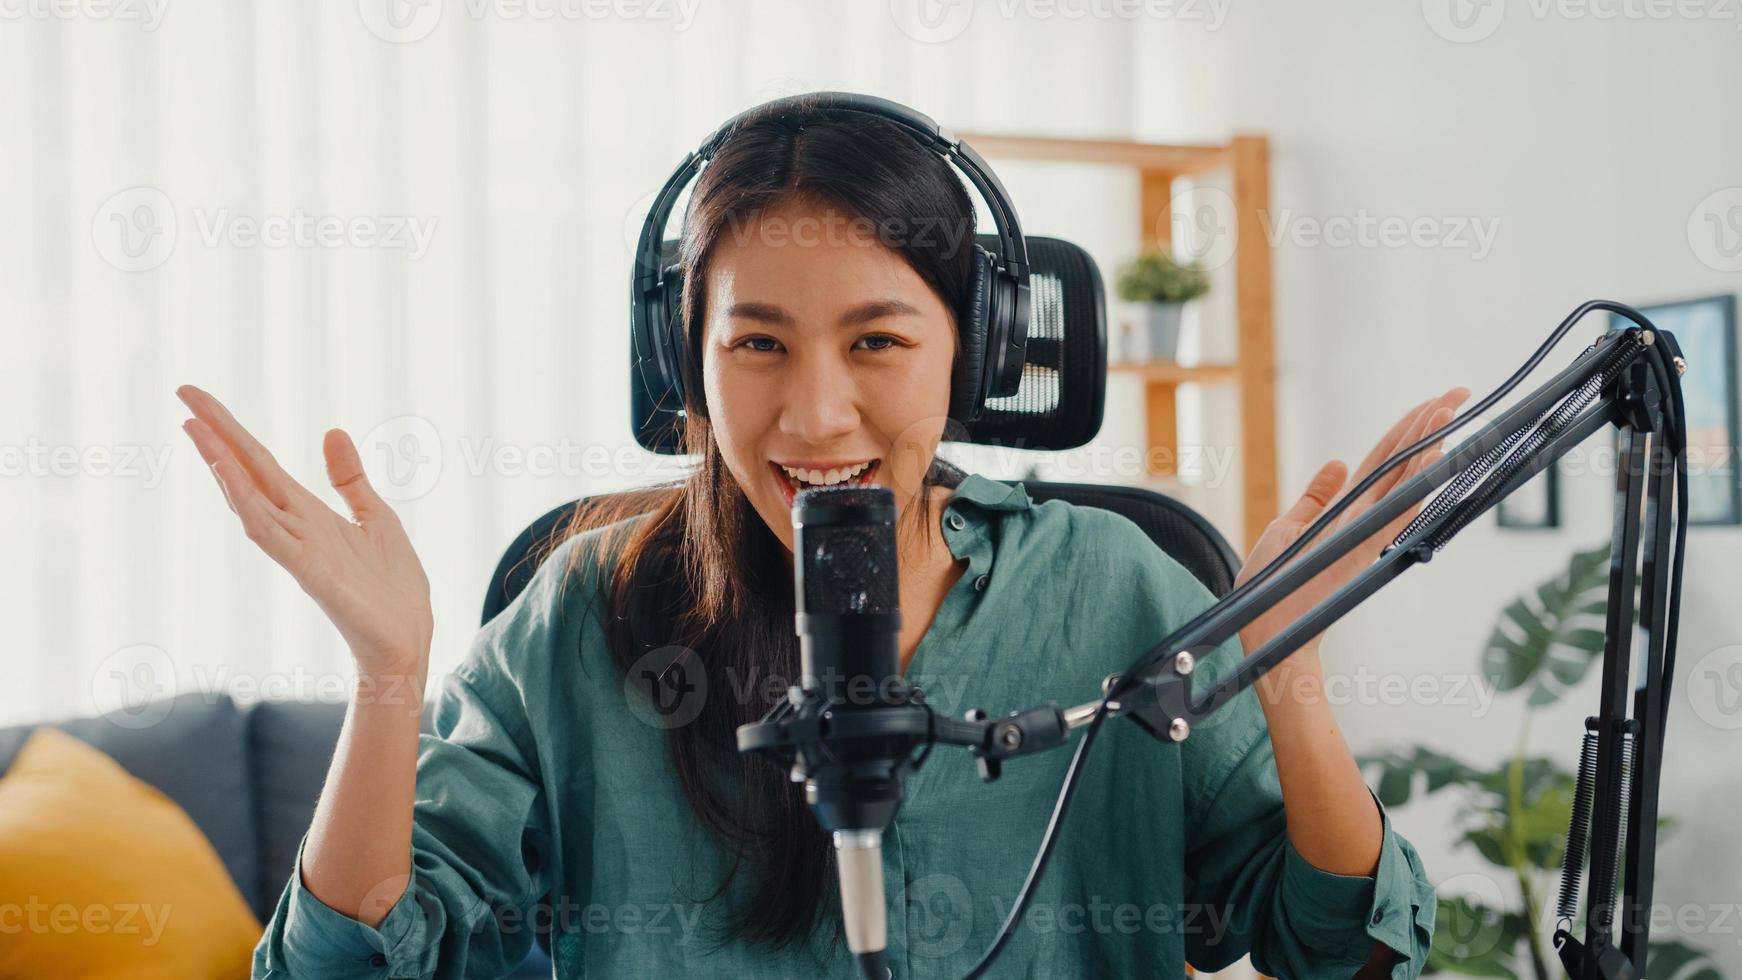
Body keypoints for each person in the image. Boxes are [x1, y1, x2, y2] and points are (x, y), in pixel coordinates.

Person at [178, 98, 1459, 979]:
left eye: (877, 341)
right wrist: (389, 674)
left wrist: (1289, 666)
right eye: (757, 344)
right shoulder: (586, 609)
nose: (813, 412)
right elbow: (341, 961)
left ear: (980, 350)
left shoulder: (1115, 587)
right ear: (684, 358)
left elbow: (1336, 945)